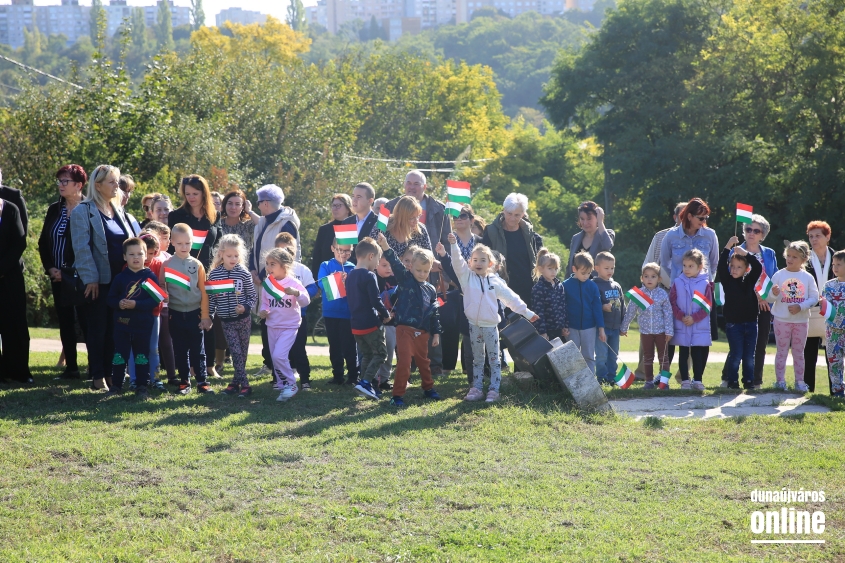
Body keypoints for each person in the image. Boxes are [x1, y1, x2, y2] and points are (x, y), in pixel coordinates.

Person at [445, 234, 537, 402]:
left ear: (491, 264)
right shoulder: (466, 278)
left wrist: (528, 313)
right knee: (477, 359)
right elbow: (457, 263)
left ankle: (494, 390)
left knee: (494, 359)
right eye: (475, 260)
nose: (478, 263)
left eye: (482, 260)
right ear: (470, 263)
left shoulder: (495, 281)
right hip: (473, 325)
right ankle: (477, 388)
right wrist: (453, 245)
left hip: (490, 327)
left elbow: (511, 298)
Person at [71, 164, 139, 390]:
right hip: (98, 282)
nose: (116, 186)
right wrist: (91, 278)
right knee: (98, 330)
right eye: (111, 182)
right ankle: (98, 376)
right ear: (97, 185)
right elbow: (81, 248)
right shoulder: (83, 210)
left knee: (116, 330)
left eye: (117, 181)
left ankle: (111, 374)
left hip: (122, 282)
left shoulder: (118, 210)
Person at [377, 232, 443, 407]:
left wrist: (436, 334)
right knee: (404, 362)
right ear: (411, 266)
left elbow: (434, 313)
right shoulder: (406, 280)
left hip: (423, 333)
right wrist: (384, 245)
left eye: (426, 271)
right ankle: (397, 395)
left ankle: (428, 389)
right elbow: (396, 264)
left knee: (424, 363)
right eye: (418, 270)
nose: (422, 274)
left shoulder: (430, 289)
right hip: (404, 329)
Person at [168, 175, 222, 379]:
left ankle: (208, 366)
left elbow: (219, 245)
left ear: (204, 193)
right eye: (187, 194)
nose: (191, 197)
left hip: (208, 276)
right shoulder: (176, 215)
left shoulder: (214, 215)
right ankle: (189, 369)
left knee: (207, 319)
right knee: (188, 323)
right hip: (183, 275)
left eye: (195, 194)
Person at [38, 164, 87, 380]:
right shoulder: (54, 209)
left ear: (78, 185)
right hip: (57, 277)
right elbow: (43, 242)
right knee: (65, 321)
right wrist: (50, 268)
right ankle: (72, 369)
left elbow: (88, 245)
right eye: (59, 181)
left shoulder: (89, 208)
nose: (60, 185)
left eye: (65, 181)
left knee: (86, 322)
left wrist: (70, 271)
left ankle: (95, 368)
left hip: (82, 277)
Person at [659, 198, 718, 366]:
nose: (704, 221)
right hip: (678, 294)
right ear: (689, 216)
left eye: (706, 218)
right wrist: (675, 285)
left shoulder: (710, 235)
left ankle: (697, 378)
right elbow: (664, 263)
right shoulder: (671, 236)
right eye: (701, 218)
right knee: (672, 333)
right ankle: (664, 376)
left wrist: (706, 285)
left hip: (702, 293)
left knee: (702, 334)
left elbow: (714, 263)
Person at [106, 237, 161, 398]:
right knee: (120, 355)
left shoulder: (150, 277)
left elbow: (155, 300)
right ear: (125, 257)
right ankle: (116, 386)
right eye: (131, 254)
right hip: (121, 325)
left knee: (141, 355)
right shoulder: (120, 278)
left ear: (146, 256)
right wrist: (119, 303)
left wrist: (136, 305)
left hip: (143, 325)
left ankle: (142, 386)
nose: (136, 257)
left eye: (139, 254)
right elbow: (110, 299)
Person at [164, 223, 214, 395]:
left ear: (192, 243)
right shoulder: (167, 264)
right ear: (172, 243)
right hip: (175, 314)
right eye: (179, 243)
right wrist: (164, 295)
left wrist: (205, 316)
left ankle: (202, 382)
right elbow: (162, 288)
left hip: (195, 313)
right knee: (180, 350)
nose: (184, 247)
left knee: (198, 350)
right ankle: (184, 382)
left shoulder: (198, 264)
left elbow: (204, 292)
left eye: (187, 243)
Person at [208, 234, 257, 398]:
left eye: (236, 255)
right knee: (235, 353)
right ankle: (246, 386)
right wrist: (208, 316)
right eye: (229, 256)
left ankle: (234, 383)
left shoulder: (243, 273)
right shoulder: (215, 275)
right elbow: (212, 300)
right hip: (226, 321)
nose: (233, 258)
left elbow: (252, 296)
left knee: (241, 355)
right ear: (221, 254)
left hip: (243, 320)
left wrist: (245, 307)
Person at [259, 248, 309, 401]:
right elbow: (264, 303)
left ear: (284, 266)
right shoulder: (267, 283)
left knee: (278, 355)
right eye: (267, 264)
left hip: (290, 326)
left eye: (272, 264)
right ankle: (283, 384)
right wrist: (263, 311)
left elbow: (306, 301)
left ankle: (292, 384)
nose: (268, 267)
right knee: (275, 358)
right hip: (272, 325)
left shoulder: (294, 283)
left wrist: (296, 293)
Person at [767, 241, 818, 392]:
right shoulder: (779, 275)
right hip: (781, 320)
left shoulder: (808, 277)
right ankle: (780, 381)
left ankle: (800, 382)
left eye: (794, 257)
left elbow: (814, 298)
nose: (790, 259)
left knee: (799, 353)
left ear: (804, 259)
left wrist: (800, 307)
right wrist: (773, 293)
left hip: (801, 321)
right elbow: (769, 297)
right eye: (788, 255)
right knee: (781, 351)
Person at [735, 214, 779, 389]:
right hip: (742, 303)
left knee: (760, 344)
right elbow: (733, 277)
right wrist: (755, 294)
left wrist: (764, 296)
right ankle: (729, 378)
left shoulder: (769, 253)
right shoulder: (735, 250)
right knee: (738, 345)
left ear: (763, 234)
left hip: (764, 304)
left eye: (756, 230)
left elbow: (773, 277)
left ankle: (756, 381)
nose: (751, 233)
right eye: (748, 229)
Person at [346, 237, 392, 400]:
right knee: (380, 353)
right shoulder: (369, 275)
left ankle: (363, 383)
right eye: (378, 260)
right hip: (371, 323)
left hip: (356, 324)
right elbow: (375, 300)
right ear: (371, 256)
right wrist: (386, 314)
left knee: (366, 354)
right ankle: (366, 382)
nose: (377, 264)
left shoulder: (350, 275)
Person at [440, 205, 483, 378]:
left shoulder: (480, 241)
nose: (459, 219)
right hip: (453, 289)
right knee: (450, 327)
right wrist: (455, 283)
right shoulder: (448, 240)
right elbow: (444, 266)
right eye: (456, 217)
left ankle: (468, 367)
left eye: (463, 216)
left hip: (475, 291)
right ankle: (447, 366)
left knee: (470, 328)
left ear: (471, 220)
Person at [481, 192, 543, 308]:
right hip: (502, 289)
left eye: (517, 215)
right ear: (503, 210)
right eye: (509, 214)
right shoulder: (491, 232)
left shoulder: (528, 232)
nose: (512, 218)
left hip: (527, 288)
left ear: (523, 214)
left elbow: (534, 259)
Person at [718, 236, 763, 389]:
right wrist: (728, 246)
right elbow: (720, 267)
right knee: (736, 355)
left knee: (749, 356)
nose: (734, 269)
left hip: (751, 324)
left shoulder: (749, 280)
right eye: (732, 266)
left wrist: (745, 253)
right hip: (733, 326)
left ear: (746, 269)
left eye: (739, 267)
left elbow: (758, 266)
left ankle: (749, 381)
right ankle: (732, 381)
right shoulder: (727, 280)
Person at [620, 263, 674, 389]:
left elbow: (668, 314)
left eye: (653, 276)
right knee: (648, 357)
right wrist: (624, 327)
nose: (649, 279)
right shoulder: (638, 294)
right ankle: (649, 381)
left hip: (661, 332)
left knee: (663, 358)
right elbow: (630, 312)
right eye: (646, 276)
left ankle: (664, 383)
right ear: (642, 278)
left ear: (659, 279)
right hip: (645, 332)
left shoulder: (662, 294)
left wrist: (669, 331)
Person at [275, 232, 318, 390]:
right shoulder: (273, 270)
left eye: (289, 250)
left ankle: (305, 379)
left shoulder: (302, 269)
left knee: (299, 348)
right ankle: (282, 379)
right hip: (279, 319)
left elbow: (313, 288)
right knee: (280, 350)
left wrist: (301, 294)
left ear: (295, 250)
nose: (285, 254)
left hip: (300, 316)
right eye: (281, 250)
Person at [126, 233, 166, 391]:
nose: (147, 257)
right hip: (132, 314)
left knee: (152, 348)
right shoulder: (127, 269)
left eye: (150, 253)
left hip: (153, 313)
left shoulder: (157, 265)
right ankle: (134, 379)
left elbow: (159, 293)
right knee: (132, 348)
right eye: (143, 253)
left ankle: (155, 378)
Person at [670, 249, 713, 390]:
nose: (686, 269)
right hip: (682, 324)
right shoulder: (677, 282)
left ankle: (698, 380)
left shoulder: (705, 283)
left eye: (691, 266)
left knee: (697, 354)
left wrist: (694, 318)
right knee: (683, 353)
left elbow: (707, 306)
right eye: (684, 266)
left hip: (699, 326)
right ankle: (685, 381)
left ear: (700, 267)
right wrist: (681, 316)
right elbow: (672, 302)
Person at [318, 238, 358, 385]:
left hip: (348, 313)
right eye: (340, 249)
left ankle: (353, 376)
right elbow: (322, 284)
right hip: (331, 313)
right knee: (334, 346)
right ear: (332, 248)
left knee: (349, 346)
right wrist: (336, 279)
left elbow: (357, 289)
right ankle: (338, 376)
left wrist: (349, 281)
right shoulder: (326, 265)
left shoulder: (353, 267)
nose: (344, 253)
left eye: (347, 250)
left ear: (352, 250)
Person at [0, 194, 30, 384]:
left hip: (10, 277)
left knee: (14, 325)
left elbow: (20, 242)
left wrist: (1, 269)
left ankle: (18, 372)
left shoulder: (11, 208)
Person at [142, 221, 176, 384]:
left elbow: (162, 285)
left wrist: (163, 295)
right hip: (141, 311)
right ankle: (141, 377)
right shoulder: (133, 265)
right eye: (164, 237)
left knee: (165, 343)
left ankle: (171, 376)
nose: (150, 256)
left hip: (161, 308)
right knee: (144, 345)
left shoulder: (163, 261)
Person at [563, 252, 606, 376]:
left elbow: (597, 308)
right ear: (574, 269)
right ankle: (574, 382)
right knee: (572, 356)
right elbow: (562, 308)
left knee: (588, 356)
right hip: (571, 327)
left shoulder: (592, 286)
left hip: (589, 327)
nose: (586, 276)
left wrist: (601, 329)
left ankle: (591, 382)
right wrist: (563, 326)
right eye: (583, 273)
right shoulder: (565, 285)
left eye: (589, 273)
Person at [805, 221, 835, 393]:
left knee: (833, 354)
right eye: (811, 236)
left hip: (832, 310)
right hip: (810, 310)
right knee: (809, 353)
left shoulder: (838, 257)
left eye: (818, 236)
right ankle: (808, 390)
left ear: (827, 236)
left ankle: (835, 390)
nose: (814, 239)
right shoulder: (805, 258)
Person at [593, 252, 624, 383]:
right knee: (601, 355)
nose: (610, 271)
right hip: (602, 327)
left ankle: (612, 378)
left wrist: (623, 324)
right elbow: (591, 304)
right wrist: (602, 307)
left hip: (615, 327)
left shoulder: (616, 285)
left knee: (613, 355)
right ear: (597, 268)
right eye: (606, 268)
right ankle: (602, 378)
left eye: (612, 267)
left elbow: (623, 305)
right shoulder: (594, 284)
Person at [311, 194, 352, 279]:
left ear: (348, 209)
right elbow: (317, 257)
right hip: (326, 277)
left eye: (338, 205)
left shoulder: (352, 227)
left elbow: (354, 256)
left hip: (349, 278)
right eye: (333, 205)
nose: (335, 208)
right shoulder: (324, 229)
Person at [567, 201, 615, 272]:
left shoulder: (607, 234)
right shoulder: (575, 238)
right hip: (576, 282)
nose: (585, 223)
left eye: (589, 219)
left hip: (597, 282)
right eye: (582, 219)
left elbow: (607, 246)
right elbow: (569, 266)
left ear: (597, 218)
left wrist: (600, 222)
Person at [531, 248, 568, 341]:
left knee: (562, 355)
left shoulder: (559, 286)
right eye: (550, 268)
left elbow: (564, 307)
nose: (553, 272)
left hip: (559, 330)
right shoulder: (538, 288)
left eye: (556, 269)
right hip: (547, 332)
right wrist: (542, 332)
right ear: (541, 269)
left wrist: (565, 326)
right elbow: (539, 312)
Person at [822, 250, 845, 397]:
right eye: (833, 265)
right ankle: (838, 391)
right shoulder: (829, 285)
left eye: (839, 264)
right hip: (833, 333)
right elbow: (827, 306)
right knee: (834, 362)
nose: (835, 268)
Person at [375, 252, 398, 390]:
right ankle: (373, 378)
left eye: (390, 265)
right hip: (376, 323)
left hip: (391, 323)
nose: (388, 268)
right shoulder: (372, 278)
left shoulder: (396, 280)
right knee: (377, 352)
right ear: (376, 263)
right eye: (384, 265)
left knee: (389, 352)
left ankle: (384, 379)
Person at [342, 182, 379, 250]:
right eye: (353, 196)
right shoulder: (346, 222)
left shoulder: (378, 223)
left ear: (370, 201)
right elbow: (342, 251)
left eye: (358, 197)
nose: (354, 200)